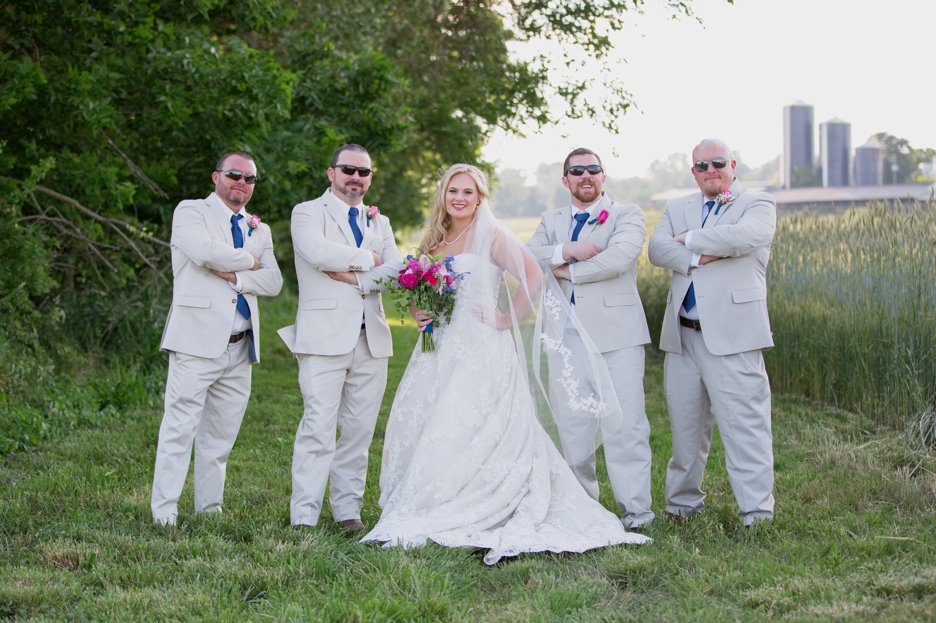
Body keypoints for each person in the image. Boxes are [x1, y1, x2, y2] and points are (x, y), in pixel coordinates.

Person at [361, 164, 650, 565]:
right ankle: (440, 495)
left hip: (481, 344)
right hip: (439, 346)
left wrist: (504, 318)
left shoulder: (491, 235)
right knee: (436, 420)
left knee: (476, 420)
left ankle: (492, 499)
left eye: (467, 192)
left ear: (479, 198)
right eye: (452, 191)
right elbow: (418, 288)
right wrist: (418, 312)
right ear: (443, 196)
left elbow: (533, 276)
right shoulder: (434, 239)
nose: (459, 198)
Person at [647, 138, 776, 527]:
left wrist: (687, 240)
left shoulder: (758, 202)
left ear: (732, 164)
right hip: (683, 335)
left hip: (733, 334)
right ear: (694, 172)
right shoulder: (678, 206)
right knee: (685, 429)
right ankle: (682, 506)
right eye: (702, 166)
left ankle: (756, 513)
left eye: (717, 163)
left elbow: (744, 237)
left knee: (745, 428)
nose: (710, 171)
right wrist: (704, 255)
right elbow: (655, 250)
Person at [526, 148, 654, 532]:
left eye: (593, 169)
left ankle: (636, 513)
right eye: (577, 170)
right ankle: (582, 508)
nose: (586, 175)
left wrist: (566, 273)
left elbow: (619, 257)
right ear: (565, 180)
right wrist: (564, 250)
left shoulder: (625, 214)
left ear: (603, 176)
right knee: (573, 426)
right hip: (565, 340)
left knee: (626, 425)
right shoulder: (551, 220)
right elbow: (526, 256)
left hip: (618, 337)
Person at [152, 152, 283, 525]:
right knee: (179, 428)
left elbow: (274, 282)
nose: (242, 183)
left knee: (221, 437)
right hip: (196, 341)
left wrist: (236, 275)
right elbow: (203, 251)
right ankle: (165, 513)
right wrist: (251, 262)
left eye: (250, 178)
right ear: (216, 177)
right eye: (234, 175)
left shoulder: (261, 229)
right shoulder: (191, 212)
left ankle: (209, 510)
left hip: (241, 345)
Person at [278, 144, 403, 531]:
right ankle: (304, 516)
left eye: (364, 172)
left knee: (359, 431)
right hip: (323, 338)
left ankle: (348, 511)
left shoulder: (379, 222)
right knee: (317, 427)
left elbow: (398, 271)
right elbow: (316, 252)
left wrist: (353, 275)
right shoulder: (307, 212)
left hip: (372, 340)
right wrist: (371, 261)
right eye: (348, 169)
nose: (356, 177)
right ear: (330, 172)